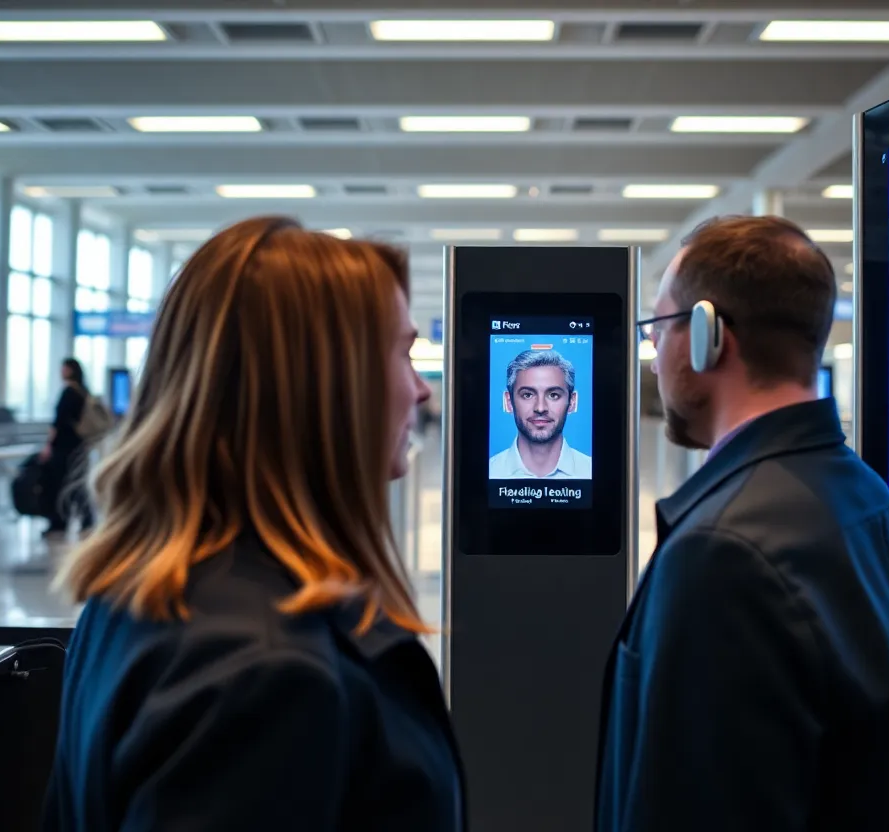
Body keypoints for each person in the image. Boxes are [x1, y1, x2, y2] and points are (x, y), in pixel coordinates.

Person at [42, 217, 463, 831]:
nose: (421, 390)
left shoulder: (137, 596)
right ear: (328, 386)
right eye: (402, 353)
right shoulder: (263, 673)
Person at [596, 215, 889, 831]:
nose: (657, 359)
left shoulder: (722, 549)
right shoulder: (867, 497)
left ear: (705, 335)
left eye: (659, 330)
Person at [488, 349, 592, 479]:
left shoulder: (590, 472)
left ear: (572, 402)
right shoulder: (491, 472)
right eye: (527, 395)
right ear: (509, 402)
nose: (540, 408)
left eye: (553, 395)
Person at [39, 358, 94, 537]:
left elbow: (58, 423)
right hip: (79, 446)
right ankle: (87, 520)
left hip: (64, 448)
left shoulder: (68, 393)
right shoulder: (83, 392)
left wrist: (49, 446)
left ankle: (59, 521)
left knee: (60, 484)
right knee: (78, 484)